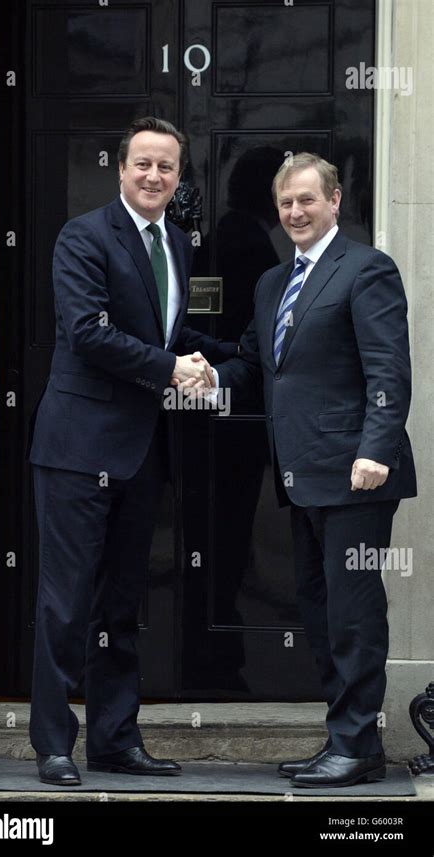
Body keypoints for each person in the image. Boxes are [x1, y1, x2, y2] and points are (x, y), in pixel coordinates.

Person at [28, 116, 236, 785]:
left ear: (179, 178)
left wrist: (236, 360)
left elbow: (165, 336)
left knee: (122, 603)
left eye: (166, 167)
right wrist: (173, 370)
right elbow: (88, 332)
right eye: (142, 163)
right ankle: (55, 744)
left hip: (142, 452)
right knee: (66, 602)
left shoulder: (176, 241)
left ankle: (115, 739)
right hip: (77, 446)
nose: (153, 176)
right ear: (120, 168)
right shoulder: (83, 236)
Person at [211, 152, 416, 788]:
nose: (295, 212)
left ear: (333, 202)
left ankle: (357, 747)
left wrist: (375, 450)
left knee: (353, 615)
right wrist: (194, 371)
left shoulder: (366, 269)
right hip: (300, 477)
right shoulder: (274, 284)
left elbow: (389, 369)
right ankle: (345, 741)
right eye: (286, 204)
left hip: (356, 477)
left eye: (306, 200)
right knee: (322, 613)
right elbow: (254, 364)